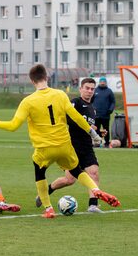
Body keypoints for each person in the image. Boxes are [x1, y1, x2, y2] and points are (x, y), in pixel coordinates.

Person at [0, 64, 120, 218]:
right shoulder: (60, 95)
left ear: (32, 81)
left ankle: (48, 209)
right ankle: (96, 190)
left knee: (40, 172)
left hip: (44, 149)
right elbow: (77, 117)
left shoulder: (28, 101)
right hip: (65, 146)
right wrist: (93, 133)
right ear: (46, 77)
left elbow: (13, 126)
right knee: (77, 171)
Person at [35, 78, 103, 213]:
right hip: (72, 147)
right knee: (69, 180)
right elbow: (69, 119)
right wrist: (88, 126)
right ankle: (47, 191)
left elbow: (89, 128)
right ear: (81, 89)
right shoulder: (75, 102)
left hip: (87, 147)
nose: (89, 91)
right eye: (87, 88)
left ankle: (93, 205)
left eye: (92, 89)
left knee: (94, 173)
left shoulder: (92, 109)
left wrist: (98, 131)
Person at [92, 76, 115, 147]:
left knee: (106, 130)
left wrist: (110, 110)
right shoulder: (95, 91)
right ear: (99, 82)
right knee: (96, 130)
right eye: (101, 81)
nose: (102, 83)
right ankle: (97, 142)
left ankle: (107, 143)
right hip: (96, 115)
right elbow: (90, 101)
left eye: (104, 82)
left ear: (106, 82)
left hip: (105, 115)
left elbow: (113, 102)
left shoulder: (109, 91)